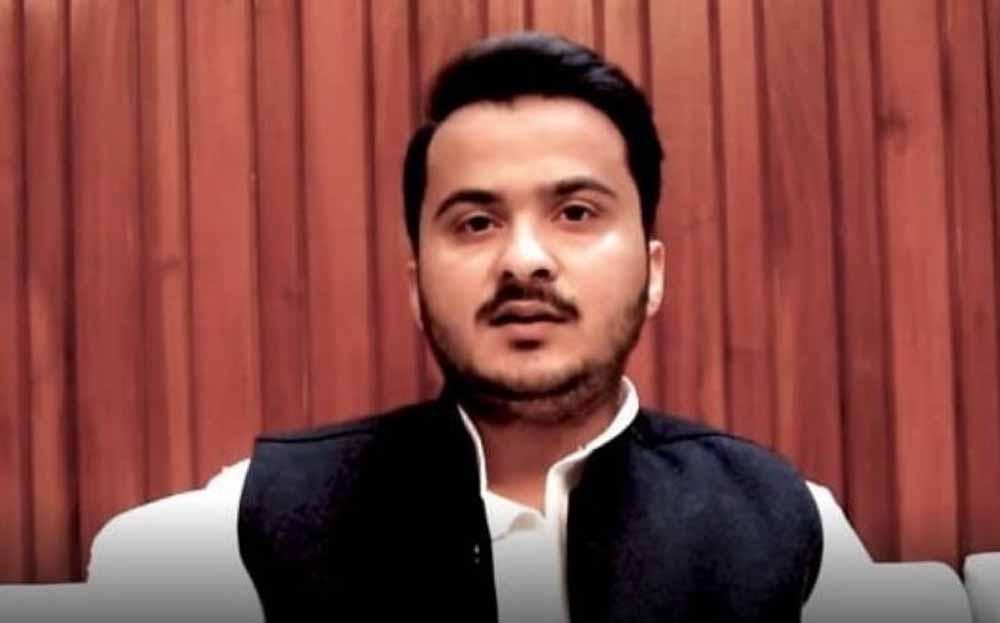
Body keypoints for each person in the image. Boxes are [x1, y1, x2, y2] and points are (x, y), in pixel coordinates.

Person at [65, 32, 879, 622]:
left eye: (575, 212)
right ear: (417, 287)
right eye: (476, 222)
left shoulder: (788, 531)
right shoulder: (247, 532)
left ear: (653, 270)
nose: (524, 260)